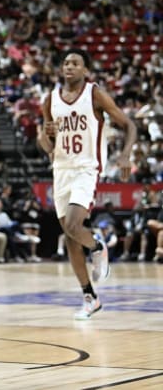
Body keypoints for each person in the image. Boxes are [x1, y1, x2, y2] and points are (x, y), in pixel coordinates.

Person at [37, 48, 136, 320]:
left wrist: (125, 155)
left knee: (72, 225)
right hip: (61, 169)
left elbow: (129, 125)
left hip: (86, 167)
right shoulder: (50, 100)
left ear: (85, 70)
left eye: (75, 63)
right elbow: (46, 144)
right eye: (66, 62)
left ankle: (97, 247)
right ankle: (90, 298)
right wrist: (46, 136)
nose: (69, 66)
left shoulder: (94, 94)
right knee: (70, 237)